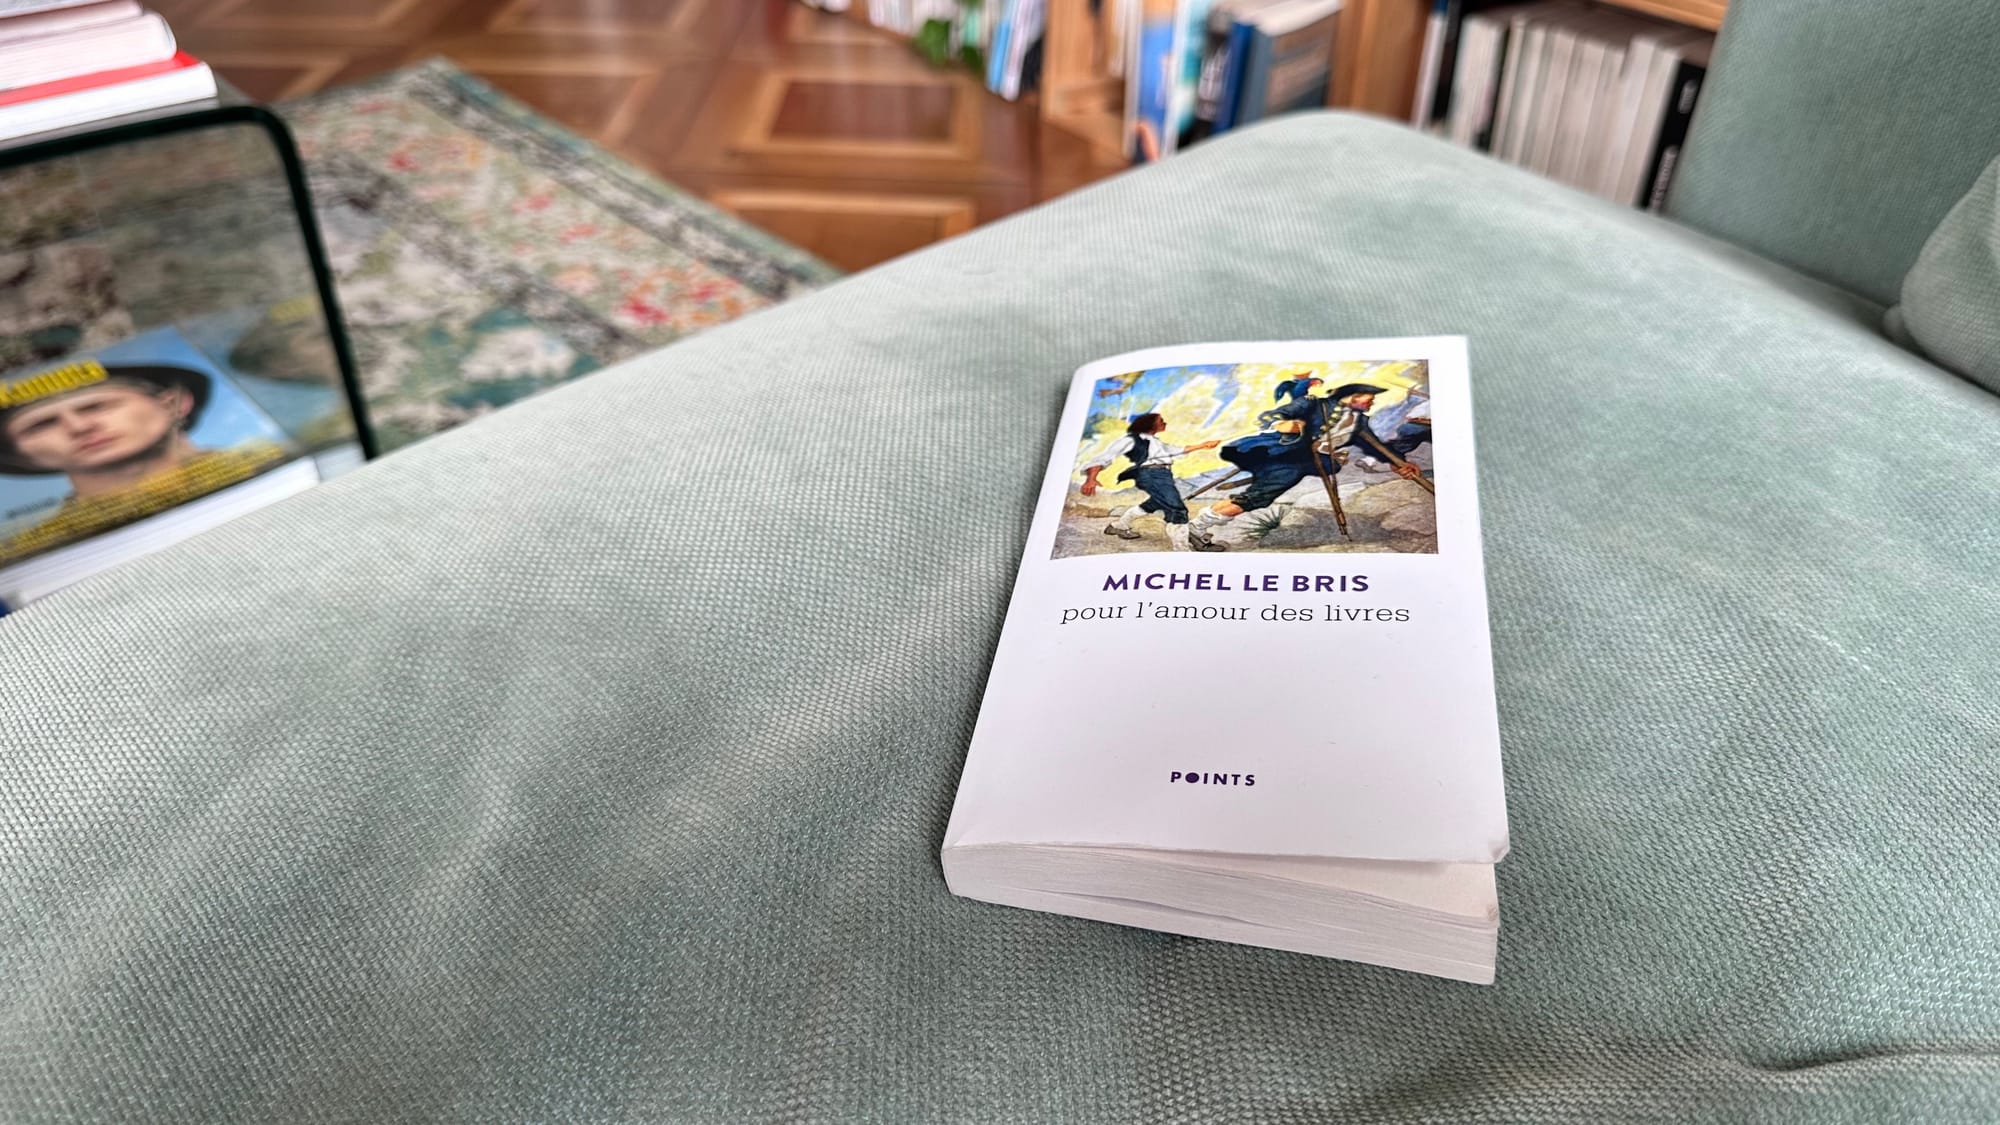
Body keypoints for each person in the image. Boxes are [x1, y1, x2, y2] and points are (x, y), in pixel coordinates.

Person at [0, 362, 284, 564]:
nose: (79, 427)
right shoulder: (29, 549)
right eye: (42, 424)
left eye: (96, 406)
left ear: (175, 404)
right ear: (18, 453)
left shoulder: (276, 460)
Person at [1187, 382, 1422, 551]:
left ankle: (1198, 527)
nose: (1372, 402)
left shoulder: (1359, 422)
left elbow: (1375, 447)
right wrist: (1284, 424)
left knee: (1260, 495)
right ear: (1354, 396)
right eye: (1369, 398)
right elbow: (1273, 415)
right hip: (1283, 455)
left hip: (1309, 461)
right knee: (1258, 497)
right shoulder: (1314, 404)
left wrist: (1398, 463)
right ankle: (1196, 529)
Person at [1079, 413, 1218, 551]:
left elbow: (1177, 450)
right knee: (1177, 510)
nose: (1164, 423)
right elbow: (1105, 457)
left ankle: (1119, 526)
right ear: (1149, 424)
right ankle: (1181, 550)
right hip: (1151, 475)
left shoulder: (1155, 442)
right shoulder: (1131, 440)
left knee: (1153, 504)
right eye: (1161, 421)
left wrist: (1203, 445)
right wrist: (1091, 479)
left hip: (1163, 475)